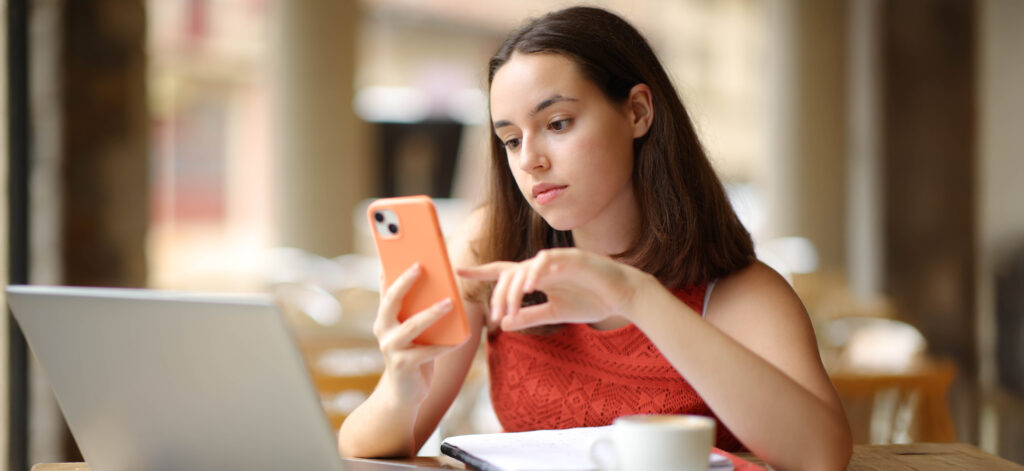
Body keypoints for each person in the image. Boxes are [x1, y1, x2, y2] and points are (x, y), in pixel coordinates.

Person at [339, 6, 852, 470]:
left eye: (557, 123)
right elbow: (365, 451)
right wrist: (401, 388)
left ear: (637, 112)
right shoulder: (494, 245)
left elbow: (821, 455)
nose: (529, 160)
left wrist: (632, 295)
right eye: (511, 139)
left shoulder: (738, 291)